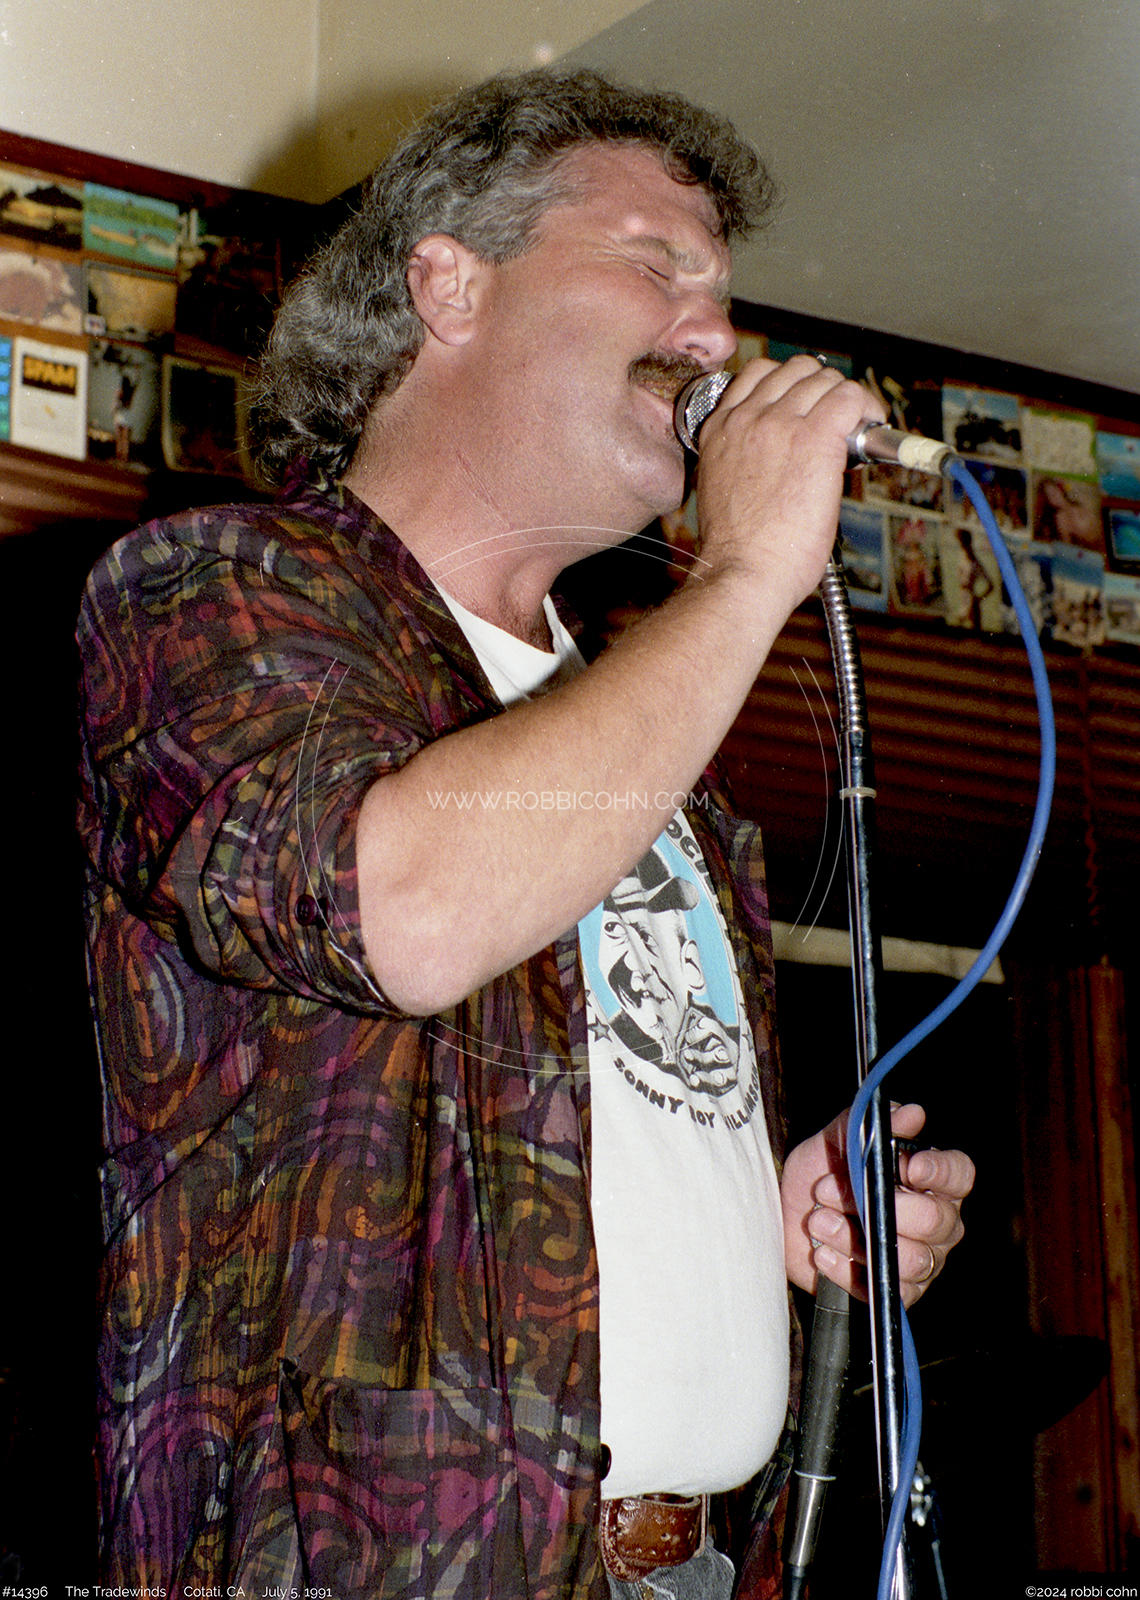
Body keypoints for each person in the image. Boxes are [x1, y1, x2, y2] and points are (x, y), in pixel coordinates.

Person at [78, 68, 975, 1598]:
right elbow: (406, 910)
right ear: (449, 283)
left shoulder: (649, 735)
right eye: (658, 264)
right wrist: (750, 572)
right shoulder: (215, 591)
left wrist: (766, 1228)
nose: (713, 336)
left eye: (723, 294)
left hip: (689, 1564)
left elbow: (544, 1133)